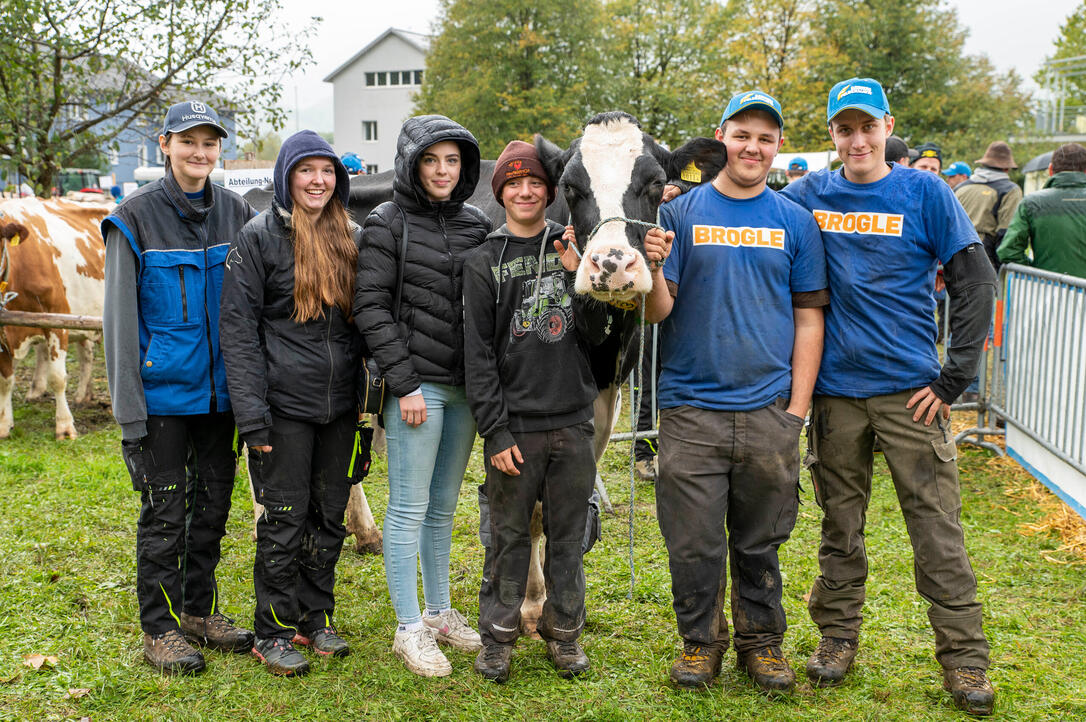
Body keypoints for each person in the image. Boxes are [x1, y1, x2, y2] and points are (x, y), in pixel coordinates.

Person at [780, 77, 998, 716]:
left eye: (867, 126)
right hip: (836, 396)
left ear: (886, 127)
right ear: (831, 135)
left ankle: (964, 660)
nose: (857, 140)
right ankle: (837, 638)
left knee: (936, 528)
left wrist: (952, 379)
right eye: (844, 129)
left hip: (911, 394)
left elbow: (974, 280)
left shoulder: (925, 191)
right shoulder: (806, 194)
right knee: (839, 526)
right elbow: (745, 222)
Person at [648, 89, 828, 693]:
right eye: (743, 134)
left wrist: (797, 411)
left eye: (766, 137)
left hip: (770, 410)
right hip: (691, 410)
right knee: (693, 542)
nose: (754, 147)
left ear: (778, 147)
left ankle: (762, 642)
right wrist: (650, 268)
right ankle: (700, 644)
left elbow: (809, 319)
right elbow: (657, 312)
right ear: (722, 136)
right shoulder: (680, 213)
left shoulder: (793, 221)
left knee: (760, 539)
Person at [101, 100, 255, 675]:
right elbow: (119, 325)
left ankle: (198, 610)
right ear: (163, 145)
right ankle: (160, 628)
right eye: (187, 141)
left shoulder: (238, 212)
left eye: (209, 142)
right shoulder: (133, 218)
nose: (200, 152)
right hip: (163, 397)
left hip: (221, 398)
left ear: (220, 149)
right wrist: (129, 419)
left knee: (213, 508)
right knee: (165, 515)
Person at [463, 140, 611, 683]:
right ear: (500, 192)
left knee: (568, 537)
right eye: (513, 183)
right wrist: (495, 432)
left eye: (535, 184)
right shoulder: (483, 259)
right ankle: (498, 638)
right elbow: (476, 355)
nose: (525, 191)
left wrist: (582, 278)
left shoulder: (573, 249)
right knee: (507, 537)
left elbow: (599, 338)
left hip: (573, 422)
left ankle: (564, 633)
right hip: (516, 429)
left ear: (551, 193)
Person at [220, 130, 363, 677]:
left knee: (328, 516)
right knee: (283, 518)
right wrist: (252, 416)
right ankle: (272, 627)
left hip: (340, 408)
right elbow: (237, 332)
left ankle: (314, 615)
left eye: (327, 171)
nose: (318, 181)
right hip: (281, 406)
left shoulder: (351, 236)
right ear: (286, 176)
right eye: (307, 170)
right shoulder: (257, 238)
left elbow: (364, 323)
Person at [354, 115, 491, 677]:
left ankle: (438, 612)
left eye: (452, 160)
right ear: (411, 163)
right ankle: (408, 627)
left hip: (464, 389)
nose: (442, 171)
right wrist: (405, 383)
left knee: (442, 508)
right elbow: (370, 307)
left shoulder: (478, 224)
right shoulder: (386, 223)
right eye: (431, 160)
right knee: (408, 508)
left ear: (465, 167)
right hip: (416, 390)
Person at [997, 142, 1086, 278]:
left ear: (1050, 170)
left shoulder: (1032, 203)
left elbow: (1009, 251)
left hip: (1046, 291)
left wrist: (1036, 272)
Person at [955, 141, 1022, 271]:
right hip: (985, 258)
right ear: (1007, 168)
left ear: (984, 164)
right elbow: (1006, 233)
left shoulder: (960, 188)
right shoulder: (1010, 190)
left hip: (954, 257)